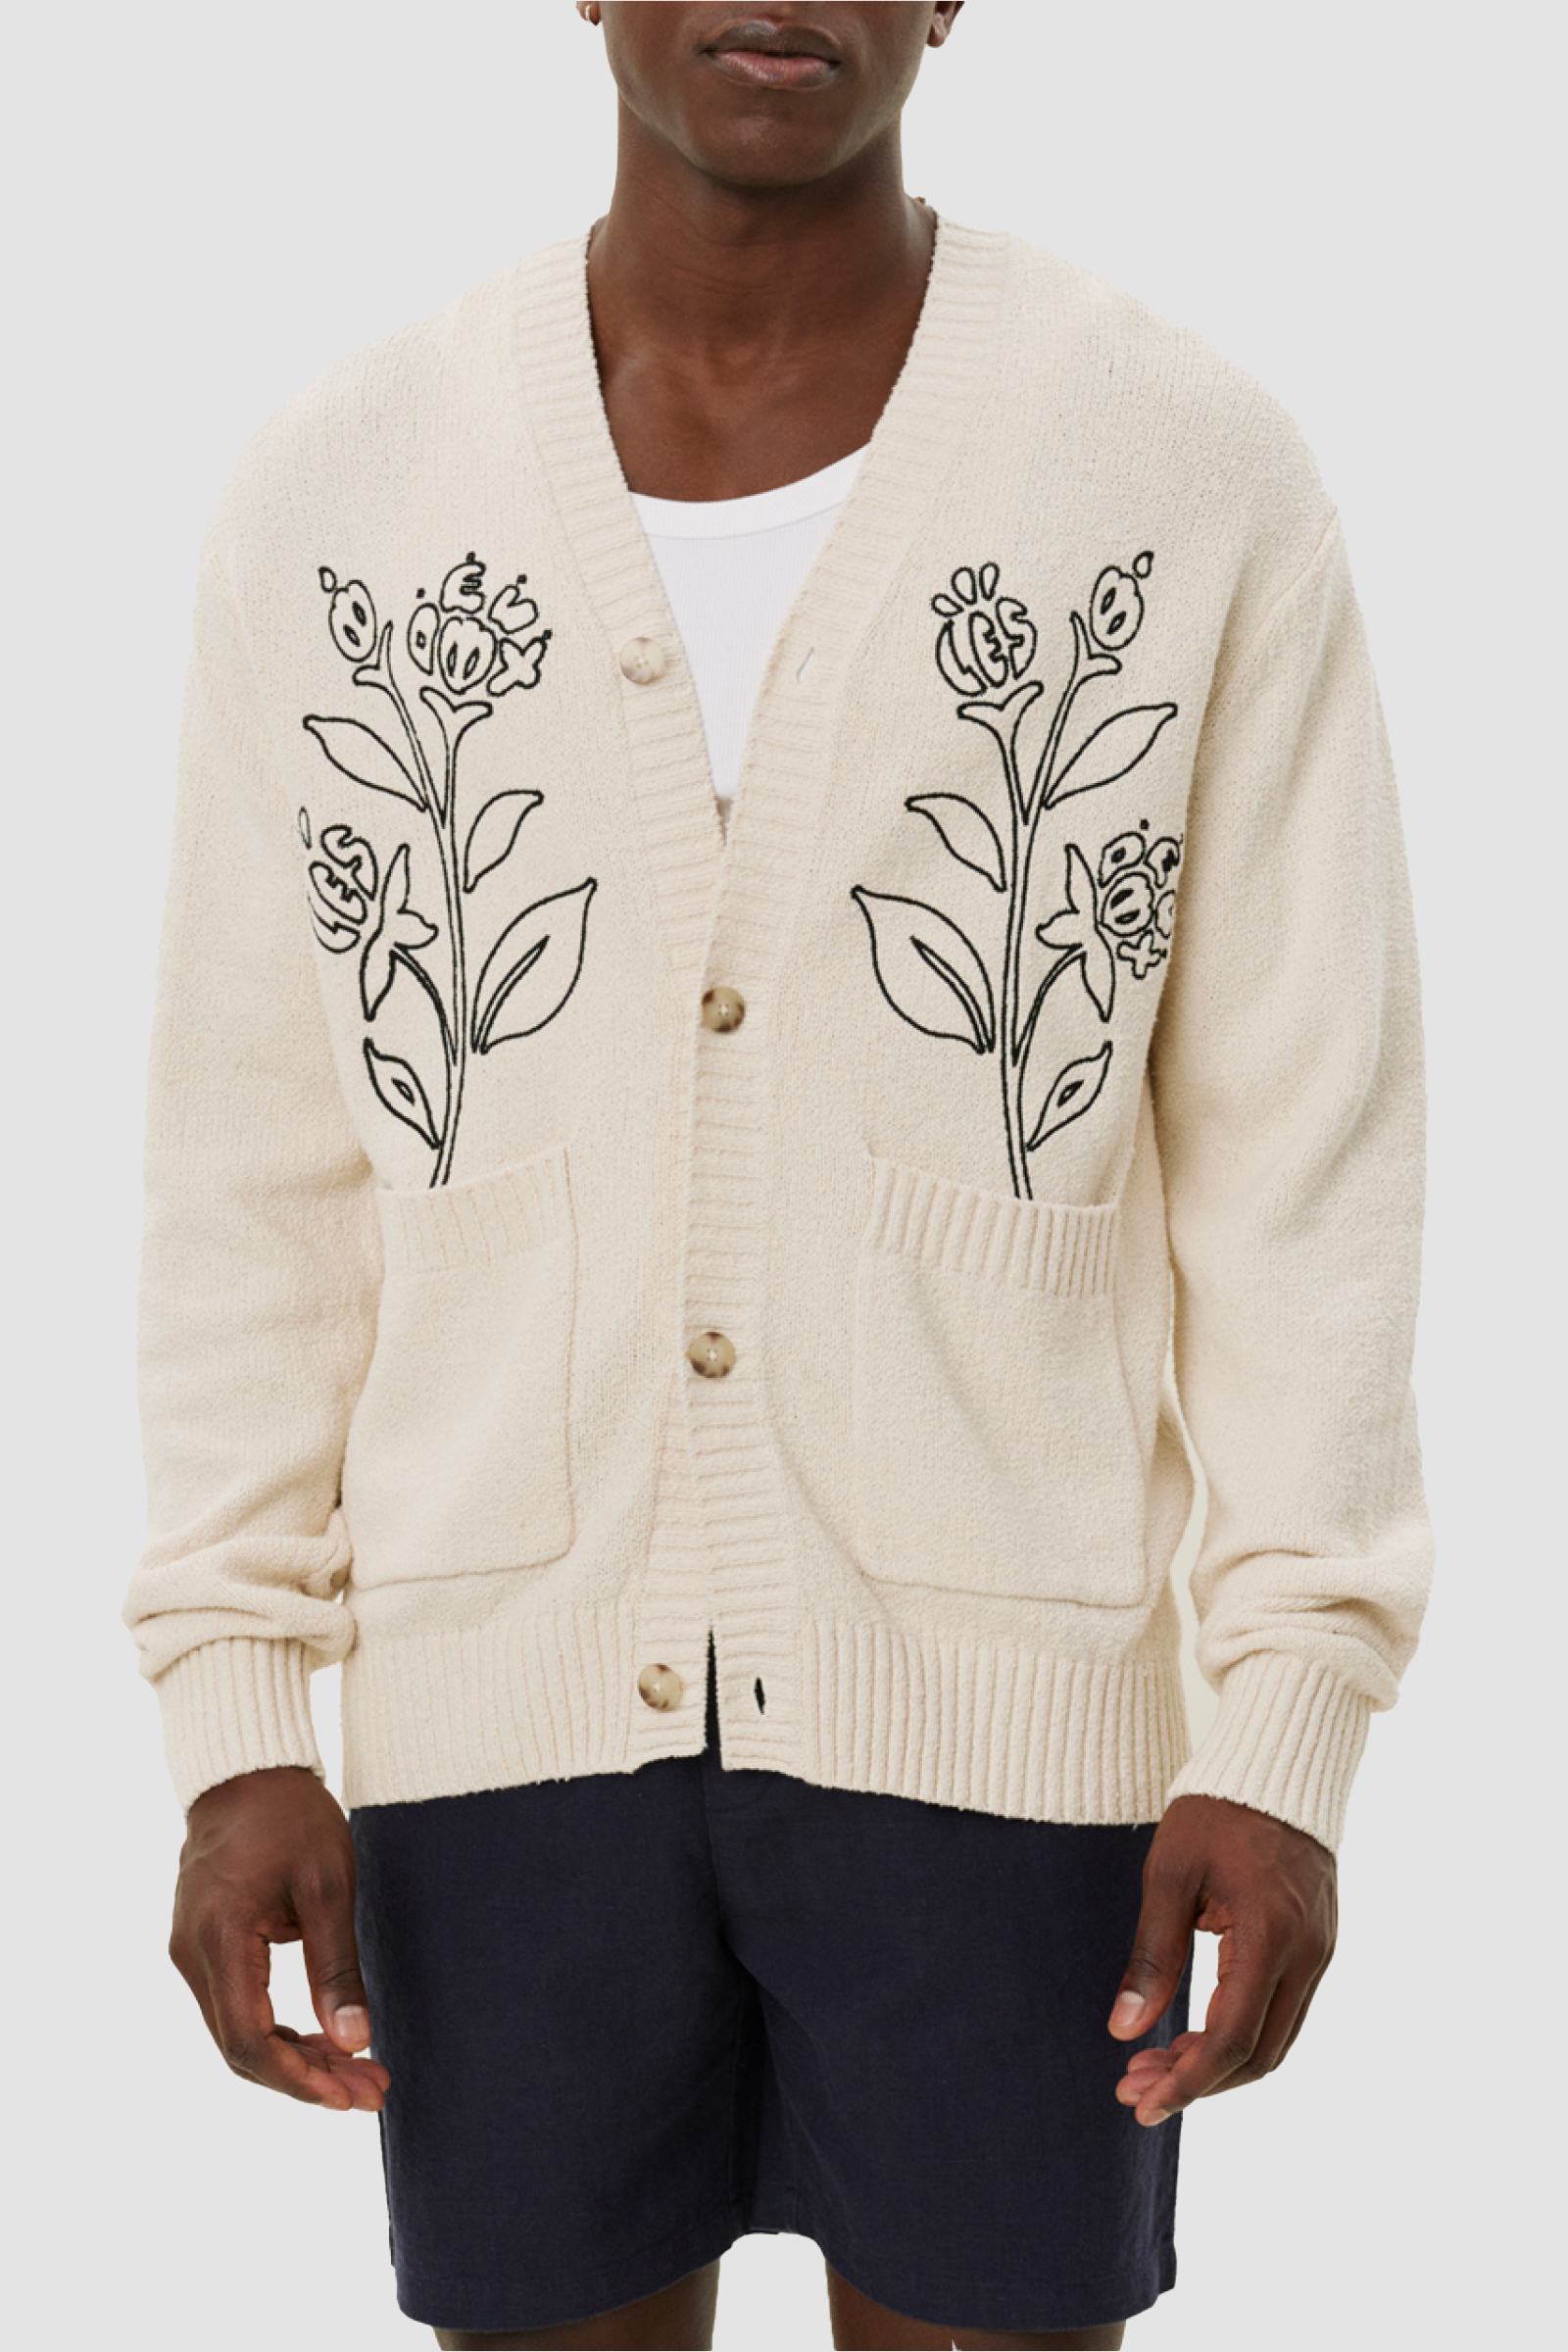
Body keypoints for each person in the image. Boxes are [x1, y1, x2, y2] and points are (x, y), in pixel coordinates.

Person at [123, 6, 1434, 2348]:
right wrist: (236, 1717)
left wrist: (1284, 1721)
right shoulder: (343, 492)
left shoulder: (1178, 469)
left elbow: (1300, 1152)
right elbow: (255, 1164)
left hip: (1007, 1721)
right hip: (497, 1717)